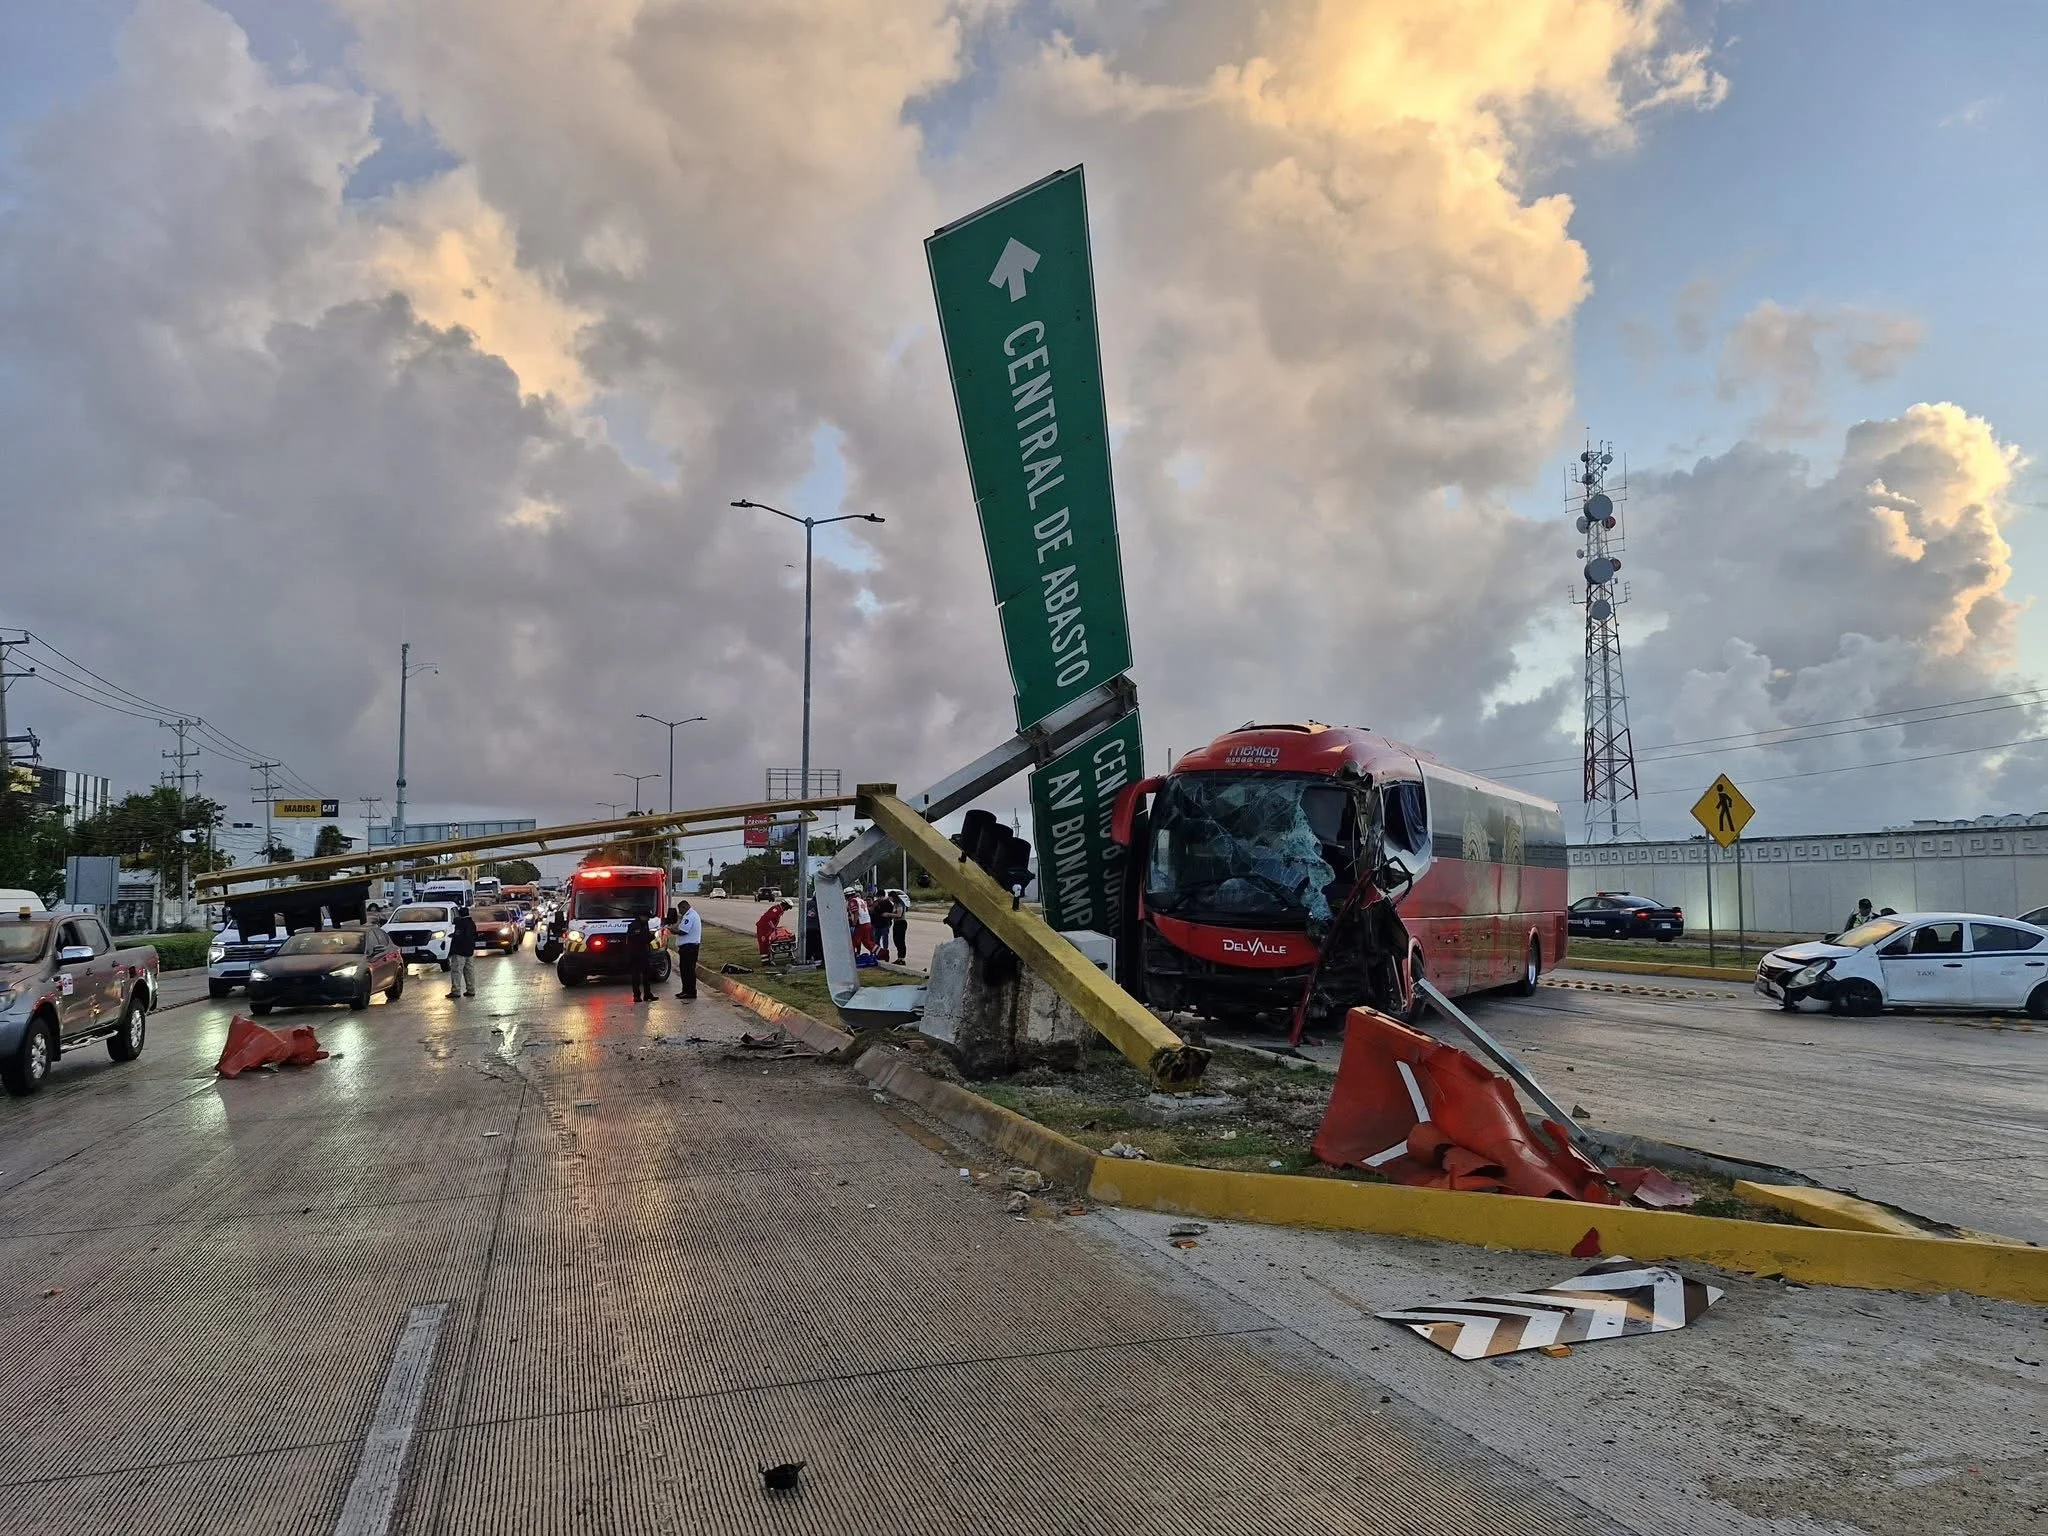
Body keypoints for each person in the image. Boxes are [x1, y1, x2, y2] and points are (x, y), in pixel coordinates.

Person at [625, 907, 657, 1002]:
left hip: (644, 953)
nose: (648, 919)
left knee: (646, 975)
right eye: (647, 917)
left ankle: (647, 994)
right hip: (636, 954)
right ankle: (636, 995)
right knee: (636, 976)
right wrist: (652, 936)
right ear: (641, 916)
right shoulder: (634, 926)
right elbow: (641, 939)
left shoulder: (644, 924)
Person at [447, 904, 478, 998]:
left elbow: (458, 936)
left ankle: (456, 991)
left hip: (460, 951)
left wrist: (453, 946)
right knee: (469, 971)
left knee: (457, 971)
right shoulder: (472, 923)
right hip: (470, 951)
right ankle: (471, 989)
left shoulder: (460, 924)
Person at [672, 898, 701, 999]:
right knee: (684, 970)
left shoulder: (690, 916)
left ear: (684, 907)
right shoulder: (689, 915)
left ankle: (691, 992)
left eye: (680, 910)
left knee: (688, 970)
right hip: (687, 947)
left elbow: (683, 931)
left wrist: (673, 930)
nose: (680, 912)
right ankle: (685, 990)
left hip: (689, 948)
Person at [890, 891, 910, 964]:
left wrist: (889, 915)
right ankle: (899, 958)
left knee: (900, 941)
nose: (890, 899)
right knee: (896, 940)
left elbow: (899, 915)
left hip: (901, 923)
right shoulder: (895, 904)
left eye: (890, 898)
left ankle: (902, 958)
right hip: (896, 923)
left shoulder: (899, 904)